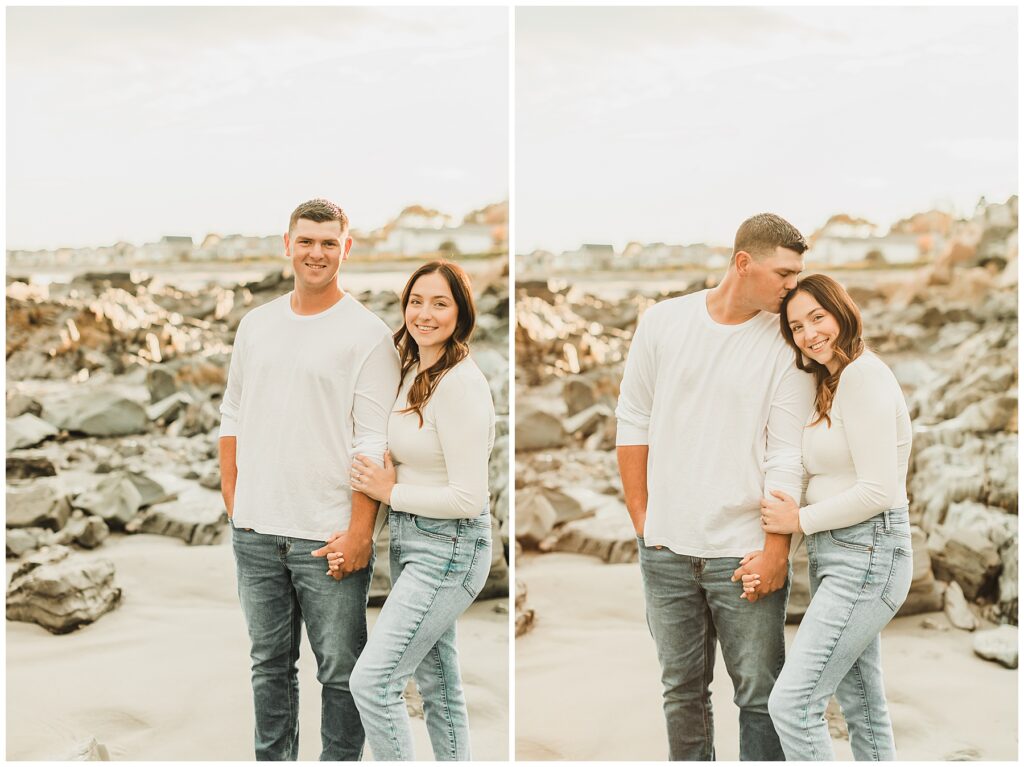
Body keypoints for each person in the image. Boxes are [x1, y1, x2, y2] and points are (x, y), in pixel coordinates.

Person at [615, 213, 816, 761]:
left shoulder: (786, 344)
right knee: (681, 694)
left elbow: (785, 454)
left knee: (760, 698)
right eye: (784, 273)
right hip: (666, 551)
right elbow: (632, 422)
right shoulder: (663, 322)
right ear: (743, 263)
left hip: (745, 553)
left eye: (798, 275)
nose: (792, 287)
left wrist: (778, 550)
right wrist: (644, 523)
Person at [219, 198, 401, 761]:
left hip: (328, 537)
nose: (316, 253)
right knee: (268, 667)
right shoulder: (257, 324)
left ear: (346, 248)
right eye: (306, 241)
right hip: (255, 531)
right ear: (287, 245)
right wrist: (234, 498)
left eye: (328, 242)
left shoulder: (368, 334)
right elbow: (232, 413)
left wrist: (359, 532)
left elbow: (373, 444)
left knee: (342, 674)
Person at [324, 259, 495, 761]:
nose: (424, 313)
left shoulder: (460, 384)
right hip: (413, 542)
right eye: (416, 301)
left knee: (373, 684)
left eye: (440, 303)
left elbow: (469, 497)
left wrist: (388, 492)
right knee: (439, 687)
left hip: (450, 549)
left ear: (460, 313)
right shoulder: (413, 368)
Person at [743, 274, 913, 761]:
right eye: (796, 327)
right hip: (840, 554)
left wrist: (798, 521)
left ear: (841, 311)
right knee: (862, 706)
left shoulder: (863, 375)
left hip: (869, 554)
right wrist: (788, 543)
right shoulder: (831, 382)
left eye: (817, 317)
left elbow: (879, 490)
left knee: (793, 705)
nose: (809, 334)